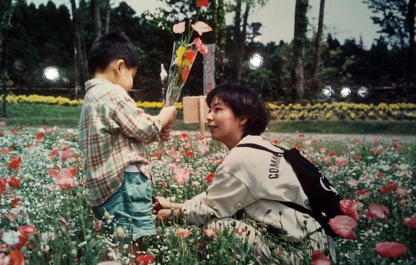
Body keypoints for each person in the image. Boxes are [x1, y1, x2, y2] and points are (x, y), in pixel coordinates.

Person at [154, 83, 335, 264]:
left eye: (218, 110)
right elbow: (217, 199)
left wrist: (170, 216)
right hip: (319, 247)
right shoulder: (260, 147)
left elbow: (209, 211)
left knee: (219, 228)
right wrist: (173, 204)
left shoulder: (243, 158)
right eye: (210, 110)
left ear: (242, 118)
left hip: (304, 254)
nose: (209, 117)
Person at [78, 31, 177, 259]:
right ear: (119, 67)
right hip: (125, 184)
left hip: (104, 189)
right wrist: (164, 116)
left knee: (116, 244)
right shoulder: (114, 93)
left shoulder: (92, 97)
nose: (131, 84)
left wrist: (156, 128)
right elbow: (142, 128)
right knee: (133, 246)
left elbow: (127, 130)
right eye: (132, 76)